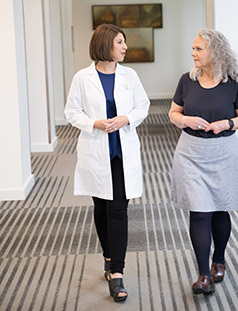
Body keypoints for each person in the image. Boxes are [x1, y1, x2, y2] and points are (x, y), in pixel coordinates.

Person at [64, 24, 150, 302]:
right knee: (101, 207)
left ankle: (117, 272)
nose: (125, 47)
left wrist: (126, 118)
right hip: (96, 150)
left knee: (118, 209)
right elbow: (71, 112)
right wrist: (94, 123)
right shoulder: (82, 77)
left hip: (121, 152)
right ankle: (109, 256)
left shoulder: (130, 75)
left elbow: (143, 105)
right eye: (120, 42)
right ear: (105, 45)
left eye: (124, 42)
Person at [169, 29, 238, 295]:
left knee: (220, 209)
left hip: (224, 151)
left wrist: (227, 123)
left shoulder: (235, 82)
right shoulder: (187, 80)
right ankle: (204, 275)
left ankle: (219, 259)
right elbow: (174, 112)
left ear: (215, 53)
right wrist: (185, 120)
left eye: (198, 49)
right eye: (193, 49)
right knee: (199, 211)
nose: (193, 54)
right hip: (191, 153)